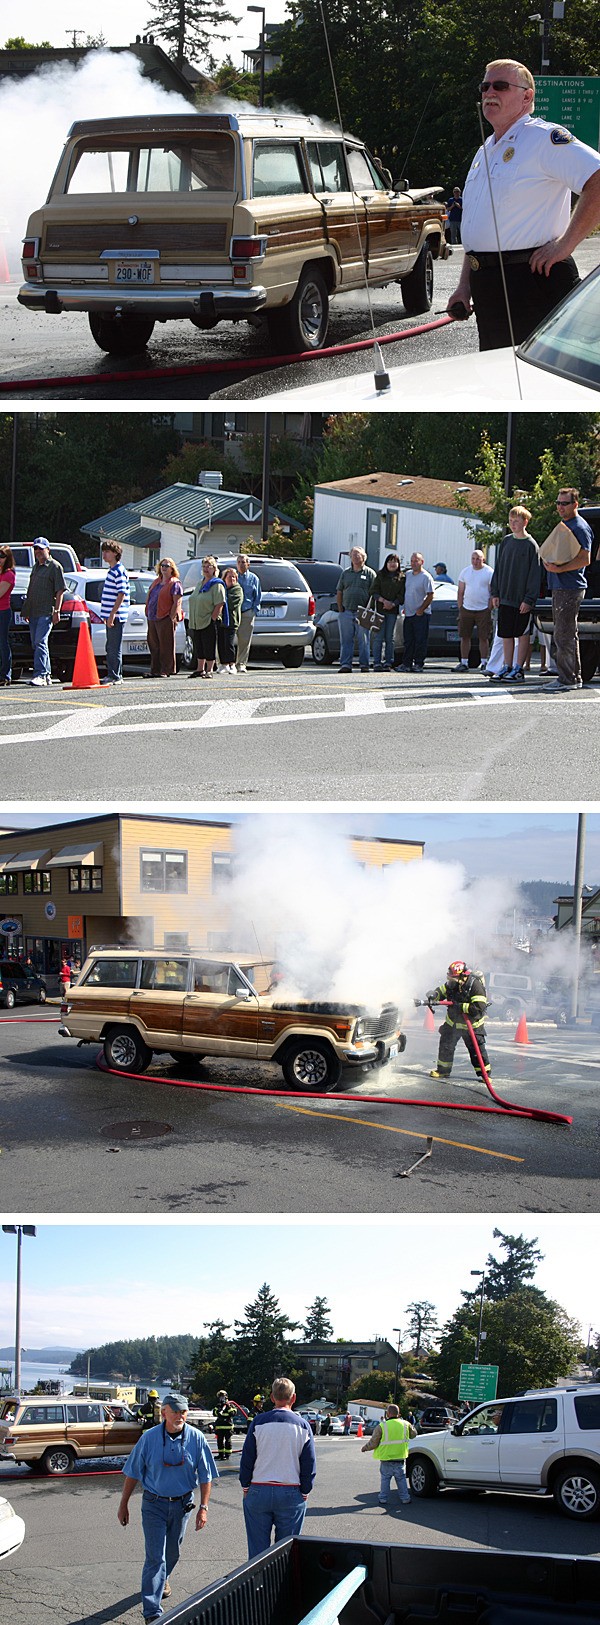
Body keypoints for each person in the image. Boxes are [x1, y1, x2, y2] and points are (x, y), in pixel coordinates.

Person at [447, 59, 600, 350]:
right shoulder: (484, 151)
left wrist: (565, 245)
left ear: (527, 96)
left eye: (501, 86)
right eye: (485, 86)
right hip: (487, 284)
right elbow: (479, 226)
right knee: (498, 381)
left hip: (532, 281)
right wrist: (464, 286)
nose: (490, 92)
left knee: (540, 385)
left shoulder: (543, 138)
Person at [117, 1392, 217, 1624]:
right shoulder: (149, 1438)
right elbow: (132, 1473)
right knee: (155, 1557)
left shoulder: (197, 1437)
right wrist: (123, 1504)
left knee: (172, 1553)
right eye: (175, 1411)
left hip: (182, 1505)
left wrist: (204, 1507)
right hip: (153, 1504)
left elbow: (206, 1475)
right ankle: (152, 1613)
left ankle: (164, 1578)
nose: (180, 1416)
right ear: (164, 1413)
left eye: (183, 1411)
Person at [239, 1377, 316, 1559]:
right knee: (285, 1552)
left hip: (259, 1489)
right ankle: (282, 1585)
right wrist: (305, 1490)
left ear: (272, 1397)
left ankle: (258, 1585)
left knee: (257, 1552)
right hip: (290, 1490)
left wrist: (246, 1486)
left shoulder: (258, 1422)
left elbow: (247, 1458)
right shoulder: (303, 1426)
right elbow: (309, 1463)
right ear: (294, 1398)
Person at [545, 488, 593, 691]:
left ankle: (568, 680)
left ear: (575, 504)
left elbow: (585, 558)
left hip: (569, 587)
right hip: (562, 586)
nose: (560, 507)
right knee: (565, 634)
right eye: (558, 503)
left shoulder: (579, 527)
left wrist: (560, 568)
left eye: (564, 503)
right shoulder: (566, 525)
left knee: (564, 634)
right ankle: (573, 677)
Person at [489, 506, 542, 683]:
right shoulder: (506, 541)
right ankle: (507, 665)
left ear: (525, 522)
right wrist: (495, 592)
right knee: (505, 633)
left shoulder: (531, 545)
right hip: (505, 597)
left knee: (522, 633)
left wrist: (529, 599)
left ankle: (519, 669)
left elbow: (535, 575)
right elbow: (499, 568)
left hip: (521, 600)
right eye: (511, 520)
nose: (513, 524)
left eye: (516, 521)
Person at [419, 960, 491, 1084]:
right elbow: (442, 991)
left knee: (477, 1051)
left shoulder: (475, 987)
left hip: (472, 1026)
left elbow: (479, 1008)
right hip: (452, 1023)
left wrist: (460, 1006)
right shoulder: (453, 983)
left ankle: (485, 1074)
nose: (452, 980)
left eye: (454, 978)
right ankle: (443, 1071)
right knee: (446, 1046)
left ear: (464, 976)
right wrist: (434, 994)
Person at [21, 537, 66, 687]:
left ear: (48, 550)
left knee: (40, 642)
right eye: (36, 549)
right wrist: (26, 610)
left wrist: (57, 611)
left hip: (46, 611)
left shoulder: (55, 566)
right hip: (33, 611)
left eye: (41, 549)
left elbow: (60, 591)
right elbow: (31, 589)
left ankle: (40, 674)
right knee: (37, 643)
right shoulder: (35, 567)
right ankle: (46, 674)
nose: (38, 552)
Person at [361, 1404, 416, 1509]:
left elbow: (374, 1442)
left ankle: (383, 1498)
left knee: (385, 1479)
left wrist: (365, 1448)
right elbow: (414, 1434)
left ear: (388, 1414)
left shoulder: (382, 1426)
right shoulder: (405, 1424)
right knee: (401, 1479)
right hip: (400, 1458)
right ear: (398, 1414)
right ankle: (405, 1498)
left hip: (386, 1458)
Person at [336, 546, 376, 672]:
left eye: (358, 555)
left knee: (364, 640)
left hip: (363, 612)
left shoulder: (370, 573)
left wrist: (370, 610)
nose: (355, 557)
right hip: (346, 611)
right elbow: (339, 591)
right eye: (353, 555)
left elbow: (375, 593)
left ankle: (364, 665)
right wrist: (340, 608)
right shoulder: (345, 573)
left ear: (364, 557)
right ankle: (346, 664)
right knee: (346, 640)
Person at [144, 558, 183, 679]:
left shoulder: (175, 583)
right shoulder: (156, 582)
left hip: (165, 617)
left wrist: (171, 616)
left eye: (167, 565)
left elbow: (177, 602)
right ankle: (155, 670)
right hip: (152, 617)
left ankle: (166, 670)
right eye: (162, 565)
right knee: (154, 644)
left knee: (166, 645)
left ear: (172, 569)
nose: (164, 568)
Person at [455, 549, 493, 672]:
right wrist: (460, 607)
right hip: (467, 608)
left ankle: (484, 662)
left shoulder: (489, 572)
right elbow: (460, 591)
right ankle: (464, 662)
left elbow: (492, 592)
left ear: (483, 559)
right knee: (464, 636)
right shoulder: (465, 572)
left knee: (483, 637)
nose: (475, 561)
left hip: (483, 609)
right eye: (473, 558)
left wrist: (489, 608)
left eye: (478, 559)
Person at [188, 556, 226, 679]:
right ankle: (200, 669)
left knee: (209, 645)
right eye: (203, 566)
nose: (205, 569)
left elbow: (220, 603)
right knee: (199, 645)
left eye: (208, 566)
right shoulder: (200, 583)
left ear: (214, 568)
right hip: (196, 621)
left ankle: (209, 669)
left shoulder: (217, 584)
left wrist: (213, 619)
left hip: (208, 620)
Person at [100, 540, 130, 686]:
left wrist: (112, 613)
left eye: (107, 552)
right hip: (110, 615)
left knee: (114, 646)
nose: (104, 554)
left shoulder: (118, 571)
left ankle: (116, 675)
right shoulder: (112, 571)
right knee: (110, 646)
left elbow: (121, 593)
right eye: (103, 551)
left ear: (115, 554)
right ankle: (112, 673)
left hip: (116, 616)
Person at [398, 553, 435, 672]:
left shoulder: (426, 577)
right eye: (412, 561)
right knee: (408, 640)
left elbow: (430, 595)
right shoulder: (408, 575)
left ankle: (419, 663)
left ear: (422, 562)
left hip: (421, 614)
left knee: (420, 640)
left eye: (416, 561)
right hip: (408, 613)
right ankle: (407, 663)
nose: (414, 563)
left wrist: (421, 609)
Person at [371, 553, 405, 671]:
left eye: (394, 562)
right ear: (386, 563)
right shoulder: (380, 575)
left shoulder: (401, 578)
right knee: (378, 637)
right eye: (390, 561)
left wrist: (393, 604)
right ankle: (376, 662)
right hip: (380, 611)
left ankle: (388, 662)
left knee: (390, 638)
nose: (392, 564)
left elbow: (402, 596)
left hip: (393, 611)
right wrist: (383, 601)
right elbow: (373, 591)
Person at [236, 553, 262, 672]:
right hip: (233, 612)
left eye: (243, 562)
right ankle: (225, 663)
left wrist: (254, 611)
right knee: (227, 639)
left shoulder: (253, 578)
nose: (241, 564)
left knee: (244, 640)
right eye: (239, 562)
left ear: (248, 564)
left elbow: (257, 596)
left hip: (247, 612)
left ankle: (241, 664)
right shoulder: (232, 576)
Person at [217, 567, 244, 674]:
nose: (232, 578)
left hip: (231, 621)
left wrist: (220, 603)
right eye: (229, 576)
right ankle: (223, 664)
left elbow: (232, 603)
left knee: (229, 643)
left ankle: (232, 664)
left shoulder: (238, 589)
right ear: (224, 578)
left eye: (234, 577)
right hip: (220, 620)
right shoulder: (221, 588)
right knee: (221, 643)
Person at [0, 544, 16, 687]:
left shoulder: (9, 574)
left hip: (3, 612)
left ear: (8, 558)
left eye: (2, 556)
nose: (0, 559)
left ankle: (5, 674)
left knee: (2, 643)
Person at [213, 1389, 237, 1461]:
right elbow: (214, 1413)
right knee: (219, 1441)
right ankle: (221, 1455)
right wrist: (219, 1410)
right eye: (220, 1397)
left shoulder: (231, 1405)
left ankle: (227, 1455)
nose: (221, 1398)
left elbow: (233, 1413)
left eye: (222, 1397)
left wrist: (228, 1407)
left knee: (228, 1441)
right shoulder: (218, 1406)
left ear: (226, 1397)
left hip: (228, 1427)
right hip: (219, 1427)